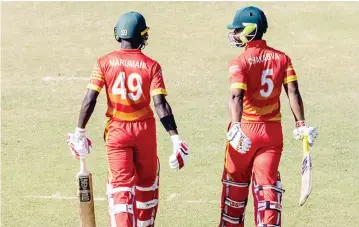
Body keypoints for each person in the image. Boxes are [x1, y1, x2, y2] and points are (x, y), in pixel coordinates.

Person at [66, 11, 189, 227]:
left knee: (120, 190)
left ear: (118, 35)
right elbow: (160, 104)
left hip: (117, 132)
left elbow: (89, 99)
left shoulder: (104, 62)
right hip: (145, 132)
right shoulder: (152, 66)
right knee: (146, 188)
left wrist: (80, 131)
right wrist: (175, 137)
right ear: (141, 36)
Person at [219, 6, 318, 227]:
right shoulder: (283, 58)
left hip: (244, 132)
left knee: (234, 191)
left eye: (237, 30)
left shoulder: (239, 62)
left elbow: (236, 97)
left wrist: (235, 126)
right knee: (267, 191)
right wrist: (301, 124)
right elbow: (293, 91)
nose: (234, 34)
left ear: (249, 31)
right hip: (272, 134)